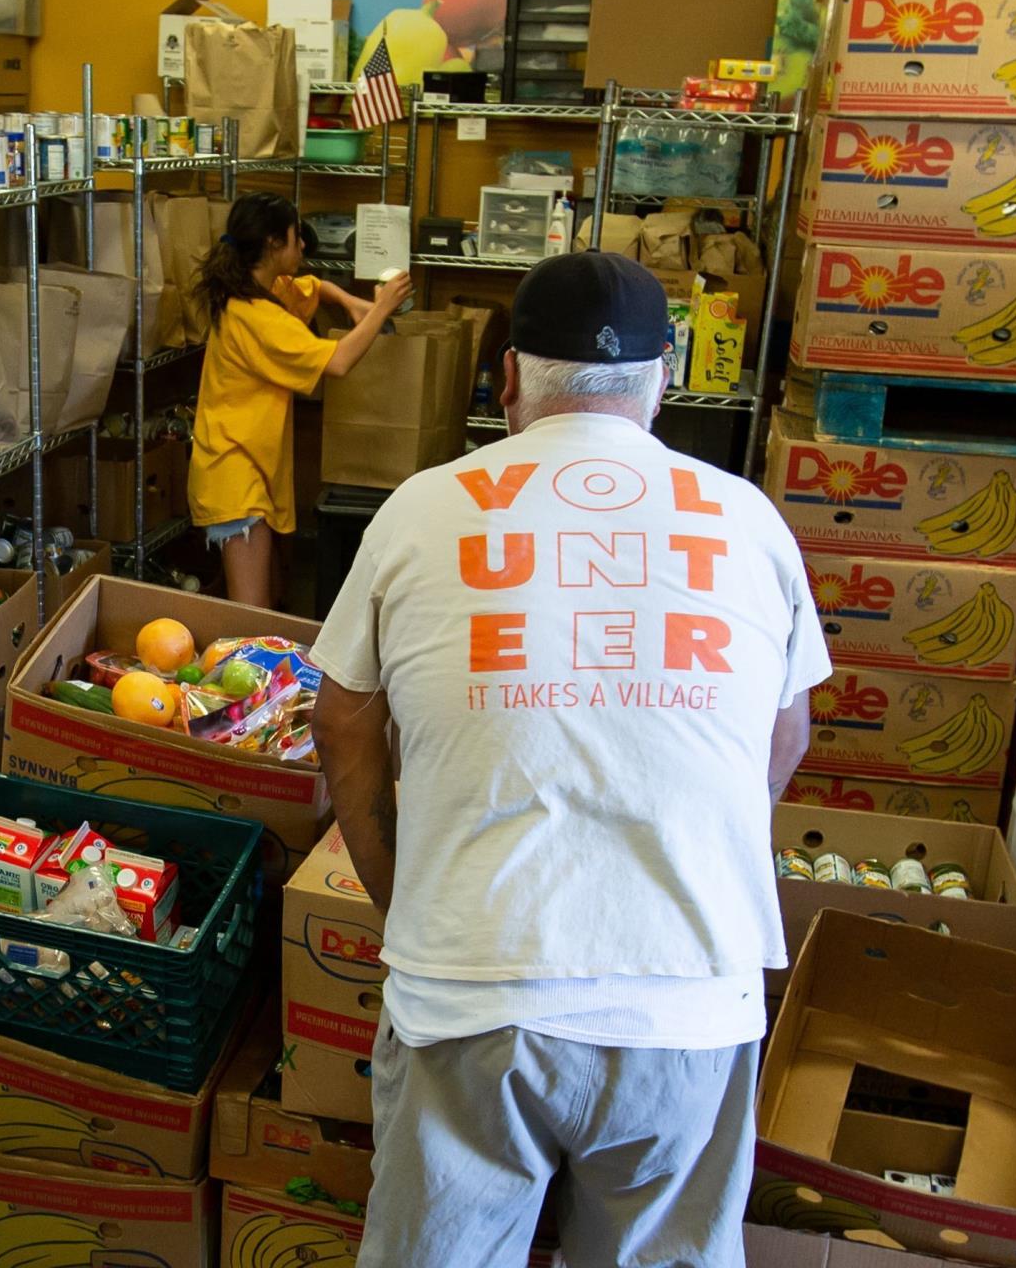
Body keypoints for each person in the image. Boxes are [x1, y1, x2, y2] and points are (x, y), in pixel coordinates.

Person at [310, 251, 829, 1268]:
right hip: (685, 995)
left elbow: (340, 724)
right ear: (662, 375)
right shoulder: (747, 519)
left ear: (504, 375)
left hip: (470, 989)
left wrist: (406, 896)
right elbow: (785, 733)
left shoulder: (418, 508)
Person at [189, 190, 410, 608]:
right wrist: (381, 308)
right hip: (234, 476)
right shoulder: (257, 316)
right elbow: (340, 361)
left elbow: (313, 287)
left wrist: (349, 302)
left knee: (269, 601)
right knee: (252, 614)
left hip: (249, 466)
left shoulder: (261, 288)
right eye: (296, 237)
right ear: (274, 244)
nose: (303, 245)